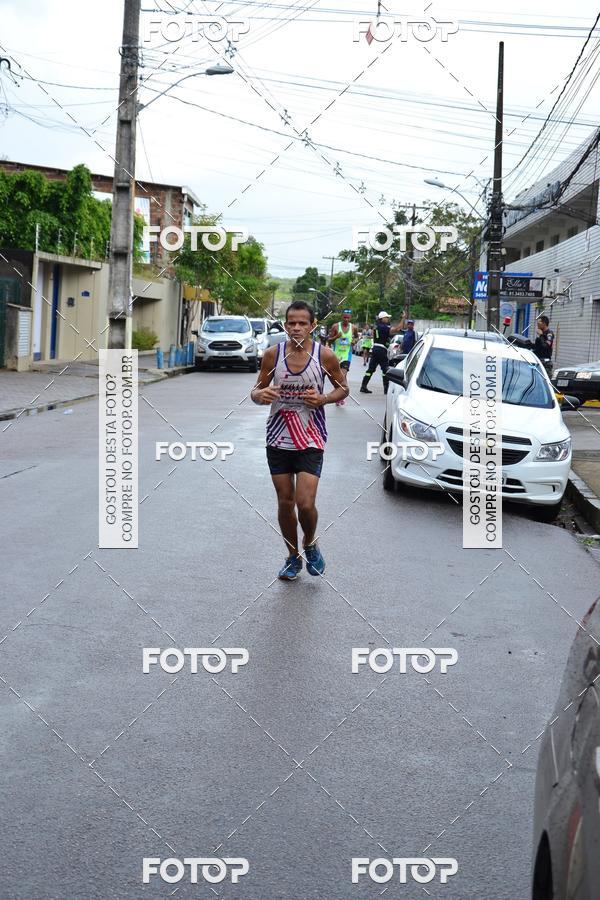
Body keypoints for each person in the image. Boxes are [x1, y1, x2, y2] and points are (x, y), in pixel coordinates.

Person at [251, 300, 349, 581]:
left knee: (305, 503)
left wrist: (323, 399)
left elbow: (342, 388)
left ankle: (310, 543)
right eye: (291, 322)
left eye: (302, 323)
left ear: (312, 326)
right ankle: (293, 557)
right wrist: (261, 395)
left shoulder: (325, 356)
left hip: (311, 437)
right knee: (285, 502)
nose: (296, 327)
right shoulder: (272, 355)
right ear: (285, 325)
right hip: (278, 437)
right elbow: (256, 391)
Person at [360, 310, 403, 394]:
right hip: (381, 350)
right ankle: (386, 389)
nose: (387, 319)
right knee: (385, 370)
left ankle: (363, 386)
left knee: (371, 369)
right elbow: (398, 328)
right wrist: (403, 318)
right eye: (386, 317)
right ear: (382, 318)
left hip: (375, 349)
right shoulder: (384, 327)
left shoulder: (376, 327)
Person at [328, 309, 358, 406]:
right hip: (336, 355)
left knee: (342, 374)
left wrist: (355, 341)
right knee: (340, 376)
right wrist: (336, 336)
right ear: (342, 317)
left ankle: (340, 396)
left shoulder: (353, 327)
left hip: (347, 355)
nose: (346, 319)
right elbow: (329, 340)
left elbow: (357, 337)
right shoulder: (336, 326)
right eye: (344, 317)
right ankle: (340, 394)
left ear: (350, 318)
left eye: (348, 318)